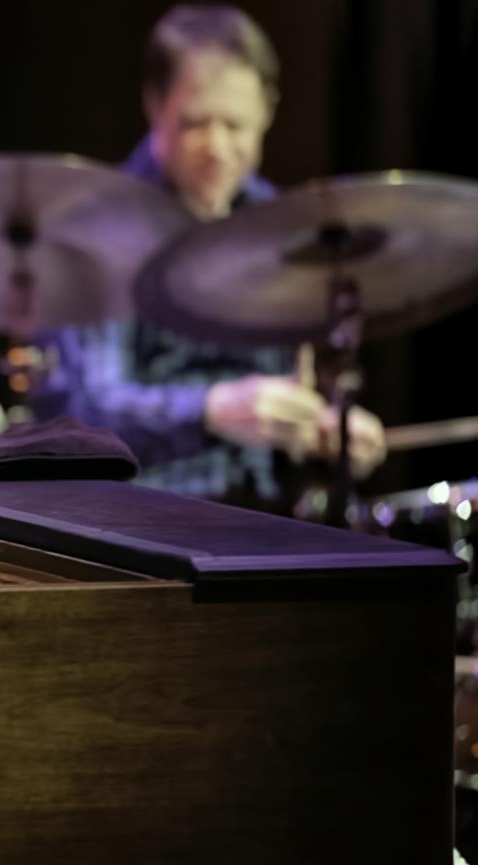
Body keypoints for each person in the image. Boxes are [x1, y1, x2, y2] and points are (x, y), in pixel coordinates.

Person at [31, 3, 386, 505]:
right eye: (195, 123)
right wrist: (213, 410)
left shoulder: (278, 224)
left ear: (269, 109)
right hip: (141, 522)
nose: (216, 147)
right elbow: (80, 417)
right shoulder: (98, 230)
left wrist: (325, 427)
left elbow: (297, 386)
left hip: (271, 518)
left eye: (235, 125)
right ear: (154, 105)